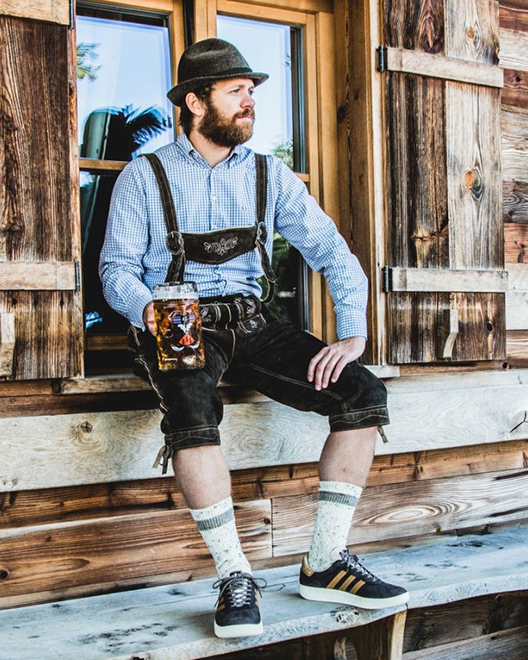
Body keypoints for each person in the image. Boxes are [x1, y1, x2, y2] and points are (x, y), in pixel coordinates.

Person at [99, 38, 408, 639]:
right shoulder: (145, 175)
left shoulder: (271, 176)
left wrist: (352, 333)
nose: (250, 103)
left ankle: (324, 562)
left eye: (252, 92)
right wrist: (155, 312)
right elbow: (115, 272)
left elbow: (332, 252)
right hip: (178, 318)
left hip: (253, 319)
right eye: (236, 92)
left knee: (362, 395)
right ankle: (234, 575)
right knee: (192, 408)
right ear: (195, 102)